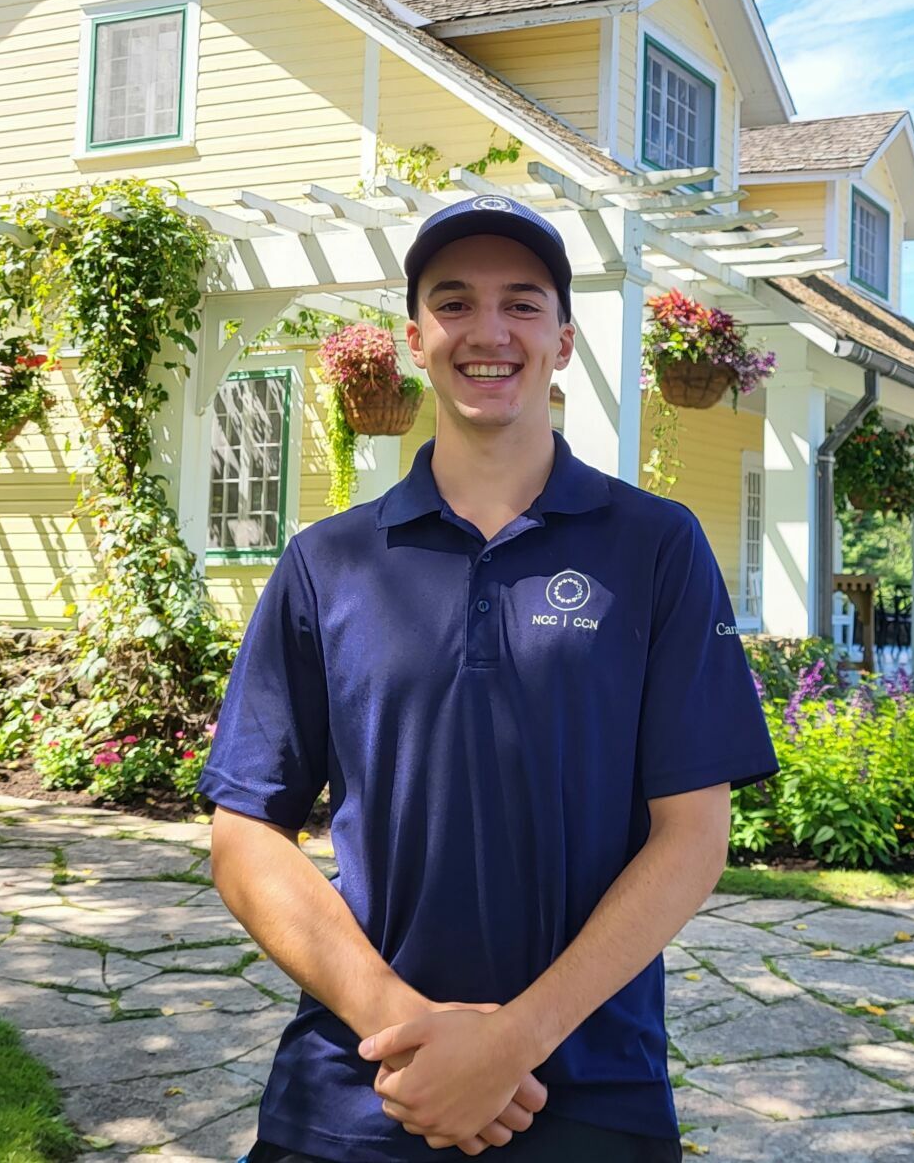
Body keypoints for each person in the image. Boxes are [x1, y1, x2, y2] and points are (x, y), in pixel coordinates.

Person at [199, 195, 779, 1161]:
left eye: (522, 302)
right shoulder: (328, 561)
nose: (489, 331)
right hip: (360, 1085)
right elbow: (243, 832)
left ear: (562, 339)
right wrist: (411, 1039)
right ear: (415, 338)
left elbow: (693, 835)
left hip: (592, 1082)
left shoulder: (655, 547)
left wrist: (511, 1041)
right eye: (456, 301)